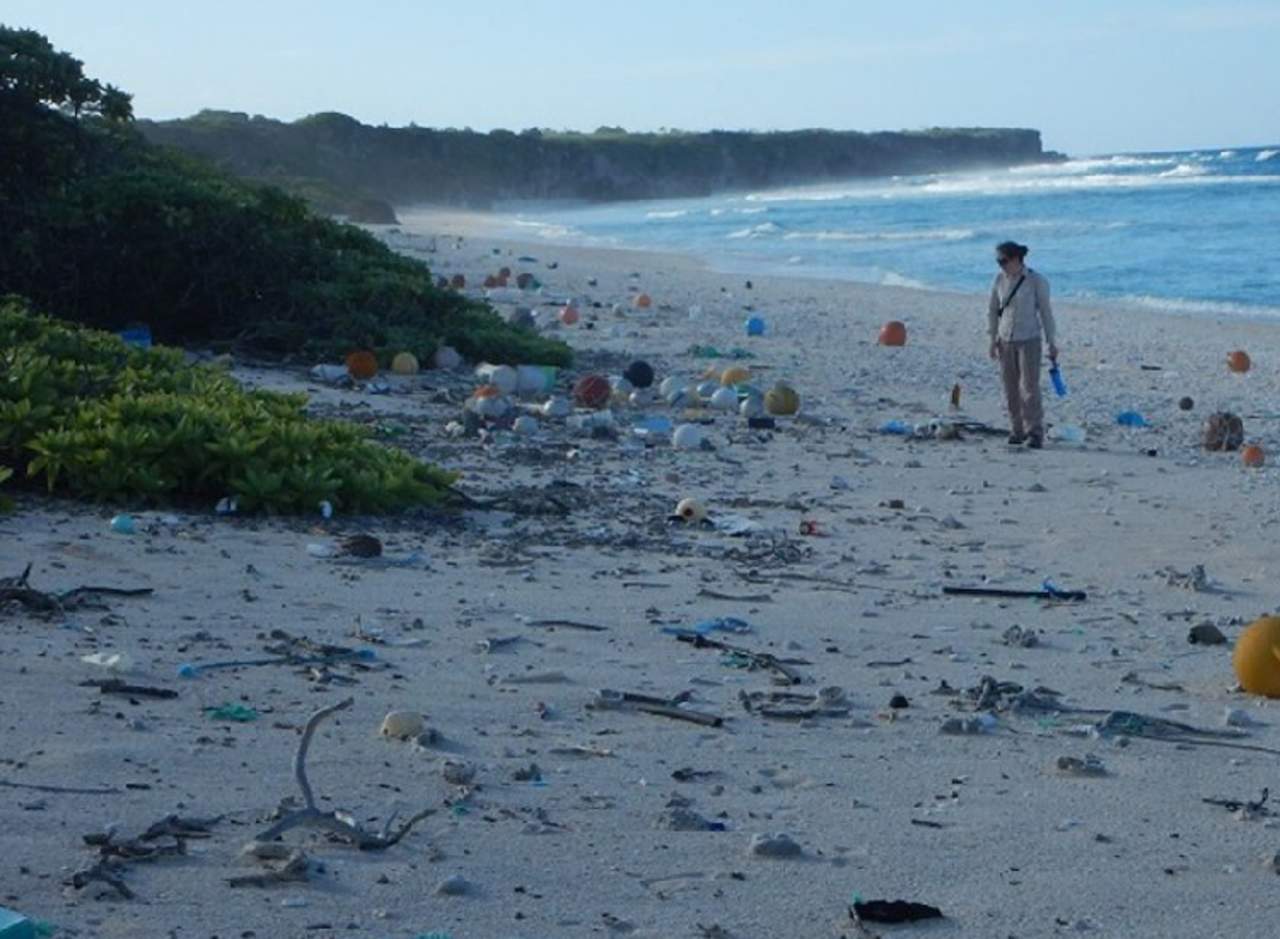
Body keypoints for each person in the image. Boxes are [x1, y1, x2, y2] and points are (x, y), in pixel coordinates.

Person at [988, 241, 1057, 448]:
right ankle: (1016, 430)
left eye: (1004, 261)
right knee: (1010, 388)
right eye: (998, 261)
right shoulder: (999, 280)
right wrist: (992, 339)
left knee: (1029, 387)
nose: (1001, 265)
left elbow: (1046, 313)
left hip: (1029, 339)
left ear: (1016, 259)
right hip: (1005, 339)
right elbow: (992, 310)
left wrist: (1051, 342)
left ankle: (1034, 432)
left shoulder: (1036, 280)